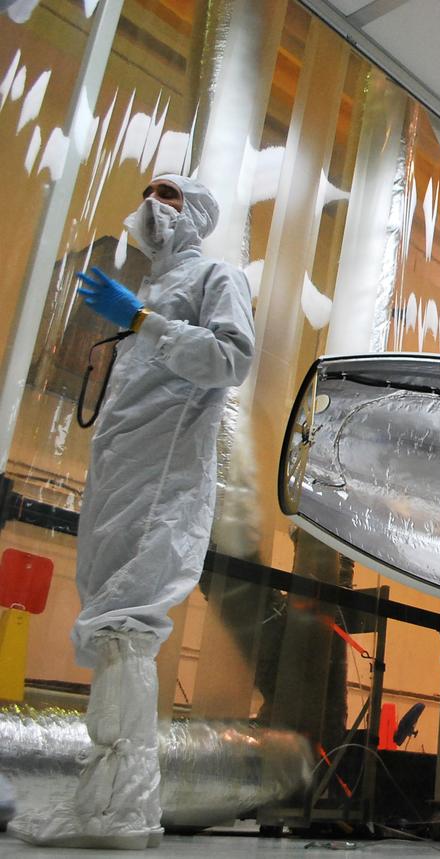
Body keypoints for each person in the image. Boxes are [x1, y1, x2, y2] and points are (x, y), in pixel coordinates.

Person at [9, 174, 254, 849]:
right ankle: (117, 804)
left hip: (162, 483)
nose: (153, 204)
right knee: (110, 617)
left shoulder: (215, 277)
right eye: (149, 191)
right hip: (122, 475)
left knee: (126, 622)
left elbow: (233, 357)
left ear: (198, 212)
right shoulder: (147, 288)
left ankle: (114, 810)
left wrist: (143, 321)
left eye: (170, 195)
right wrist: (139, 315)